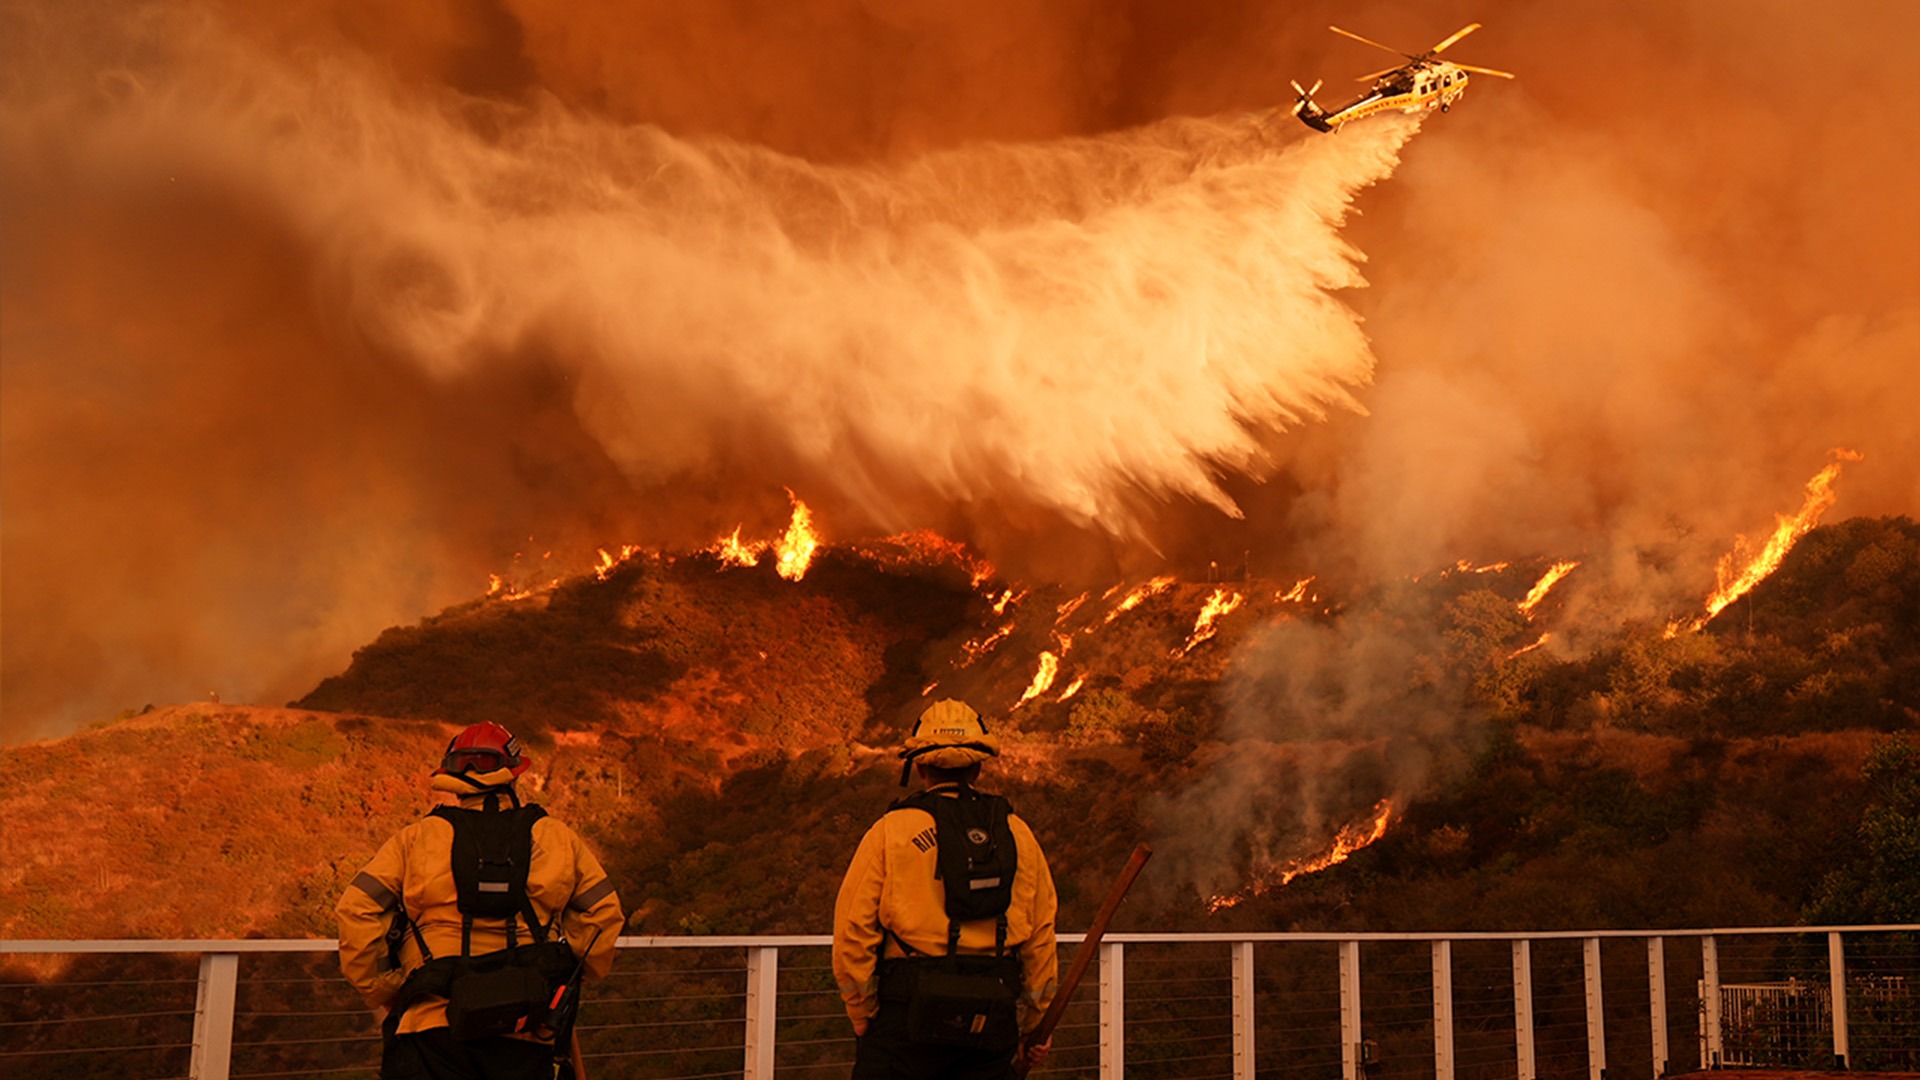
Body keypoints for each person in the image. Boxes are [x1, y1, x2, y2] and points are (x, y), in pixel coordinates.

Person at [337, 721, 623, 1080]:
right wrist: (578, 973)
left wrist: (384, 988)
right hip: (528, 1026)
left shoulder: (415, 839)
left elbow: (357, 909)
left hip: (430, 1025)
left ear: (451, 777)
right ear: (514, 774)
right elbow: (603, 913)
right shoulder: (556, 837)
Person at [833, 700, 1058, 1079]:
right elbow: (1040, 934)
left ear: (919, 766)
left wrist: (862, 1011)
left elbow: (853, 931)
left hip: (905, 1019)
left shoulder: (891, 831)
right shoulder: (1017, 833)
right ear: (978, 765)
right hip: (991, 1016)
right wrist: (1036, 1023)